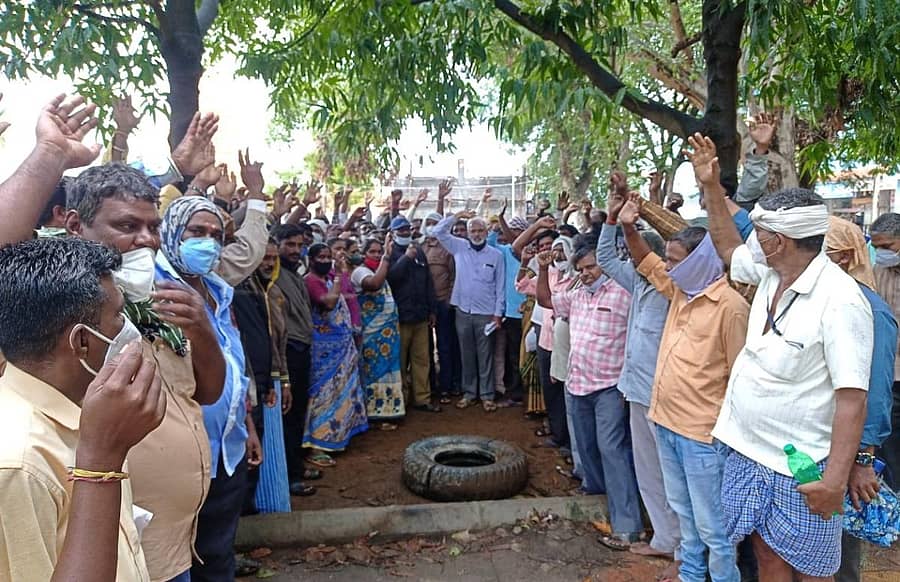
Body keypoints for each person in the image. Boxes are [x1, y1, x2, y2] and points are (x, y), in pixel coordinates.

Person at [695, 132, 873, 580]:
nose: (753, 242)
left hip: (800, 466)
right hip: (749, 451)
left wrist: (833, 481)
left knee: (812, 570)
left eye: (761, 234)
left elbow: (852, 399)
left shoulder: (841, 300)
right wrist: (711, 188)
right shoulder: (772, 272)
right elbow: (726, 248)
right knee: (767, 558)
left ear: (782, 241)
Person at [65, 163, 227, 582]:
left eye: (152, 226)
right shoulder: (57, 315)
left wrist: (204, 331)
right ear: (74, 226)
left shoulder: (166, 299)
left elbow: (207, 392)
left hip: (174, 550)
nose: (146, 240)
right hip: (113, 555)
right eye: (127, 225)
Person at [0, 237, 164, 581]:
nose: (129, 330)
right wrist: (100, 465)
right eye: (119, 316)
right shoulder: (19, 464)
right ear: (82, 341)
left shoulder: (86, 417)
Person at [619, 191, 749, 581]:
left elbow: (741, 379)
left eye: (676, 261)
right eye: (670, 262)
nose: (669, 269)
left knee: (714, 527)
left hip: (704, 436)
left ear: (700, 260)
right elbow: (645, 260)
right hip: (667, 424)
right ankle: (692, 575)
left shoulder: (730, 308)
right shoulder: (681, 292)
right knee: (685, 516)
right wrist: (627, 225)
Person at [156, 196, 260, 582]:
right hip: (179, 455)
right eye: (196, 232)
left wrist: (246, 426)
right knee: (176, 559)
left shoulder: (219, 290)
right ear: (171, 233)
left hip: (227, 450)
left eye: (216, 235)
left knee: (217, 552)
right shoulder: (152, 291)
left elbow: (233, 366)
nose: (208, 243)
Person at [535, 245, 643, 550]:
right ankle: (595, 491)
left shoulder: (624, 293)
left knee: (612, 448)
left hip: (610, 386)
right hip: (577, 383)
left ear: (605, 266)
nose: (586, 273)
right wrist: (543, 269)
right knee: (584, 443)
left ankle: (628, 526)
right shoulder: (577, 295)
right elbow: (545, 300)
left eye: (591, 267)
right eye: (581, 269)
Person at [597, 188, 680, 572]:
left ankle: (684, 550)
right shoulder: (639, 282)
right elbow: (604, 259)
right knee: (648, 469)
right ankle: (664, 539)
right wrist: (612, 220)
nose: (630, 261)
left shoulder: (675, 289)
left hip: (668, 395)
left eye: (636, 255)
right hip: (636, 388)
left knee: (673, 474)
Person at [825, 217, 897, 582]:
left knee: (840, 543)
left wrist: (863, 460)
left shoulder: (872, 311)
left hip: (847, 449)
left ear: (843, 256)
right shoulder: (821, 300)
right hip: (817, 444)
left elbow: (877, 394)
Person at [432, 211, 506, 412]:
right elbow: (438, 231)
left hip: (486, 314)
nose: (477, 233)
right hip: (463, 311)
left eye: (480, 230)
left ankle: (487, 395)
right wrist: (456, 216)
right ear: (468, 232)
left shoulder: (496, 255)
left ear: (486, 231)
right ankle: (469, 393)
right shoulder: (459, 247)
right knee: (466, 354)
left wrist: (498, 313)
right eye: (473, 230)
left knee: (485, 355)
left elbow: (500, 287)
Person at [304, 243, 369, 452]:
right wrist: (340, 275)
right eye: (320, 257)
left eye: (327, 257)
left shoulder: (329, 279)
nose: (324, 261)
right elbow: (329, 302)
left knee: (342, 389)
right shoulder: (311, 281)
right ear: (311, 260)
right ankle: (318, 441)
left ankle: (339, 434)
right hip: (324, 349)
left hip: (342, 345)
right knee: (323, 392)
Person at [271, 223, 323, 485]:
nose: (295, 250)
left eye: (300, 245)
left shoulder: (293, 274)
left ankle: (295, 466)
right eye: (289, 245)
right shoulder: (273, 274)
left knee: (297, 411)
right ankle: (289, 476)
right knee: (287, 415)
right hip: (287, 351)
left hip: (302, 349)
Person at [387, 216, 441, 412]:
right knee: (400, 361)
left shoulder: (419, 251)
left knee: (422, 360)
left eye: (406, 229)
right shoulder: (390, 253)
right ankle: (401, 399)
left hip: (420, 316)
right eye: (400, 230)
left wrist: (432, 310)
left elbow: (428, 282)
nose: (404, 232)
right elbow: (391, 278)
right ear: (392, 232)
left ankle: (422, 398)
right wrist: (405, 258)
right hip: (399, 318)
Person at [352, 237, 406, 425]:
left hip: (388, 335)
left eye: (378, 251)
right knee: (374, 371)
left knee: (389, 370)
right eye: (372, 252)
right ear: (363, 253)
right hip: (372, 335)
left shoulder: (380, 268)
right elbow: (373, 284)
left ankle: (390, 410)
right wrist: (386, 257)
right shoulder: (360, 271)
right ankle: (375, 414)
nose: (376, 255)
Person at [869, 212, 900, 489]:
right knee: (890, 446)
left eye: (887, 247)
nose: (881, 253)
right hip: (889, 374)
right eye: (875, 246)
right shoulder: (877, 272)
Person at [423, 211, 461, 402]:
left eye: (434, 223)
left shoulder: (448, 248)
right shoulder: (419, 247)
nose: (430, 226)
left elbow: (454, 277)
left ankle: (446, 386)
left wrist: (449, 301)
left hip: (443, 301)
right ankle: (429, 385)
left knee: (445, 346)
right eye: (427, 222)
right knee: (425, 347)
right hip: (423, 305)